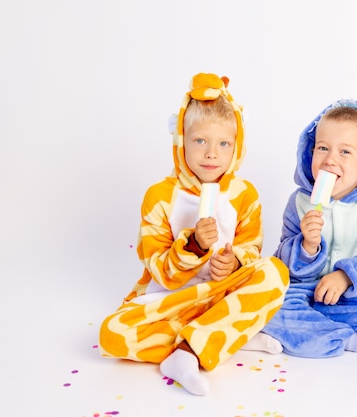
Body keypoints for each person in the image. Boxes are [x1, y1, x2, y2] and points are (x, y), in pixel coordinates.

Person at [99, 73, 289, 396]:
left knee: (276, 273)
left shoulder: (245, 195)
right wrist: (193, 245)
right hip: (174, 299)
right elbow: (158, 267)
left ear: (237, 146)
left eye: (223, 144)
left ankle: (189, 351)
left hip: (222, 294)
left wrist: (234, 262)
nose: (211, 154)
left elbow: (252, 252)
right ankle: (226, 337)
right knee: (112, 334)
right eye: (200, 141)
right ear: (181, 141)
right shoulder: (159, 196)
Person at [261, 99, 357, 362]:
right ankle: (355, 340)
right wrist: (306, 247)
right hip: (308, 292)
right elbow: (283, 267)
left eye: (345, 152)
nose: (330, 160)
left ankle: (307, 330)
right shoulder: (298, 203)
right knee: (267, 301)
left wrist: (348, 275)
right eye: (323, 148)